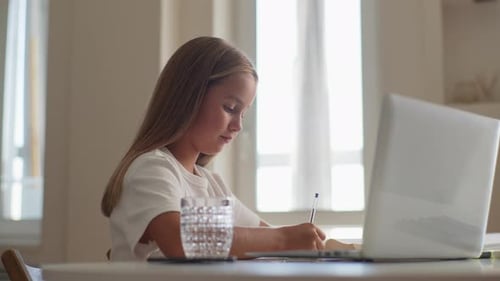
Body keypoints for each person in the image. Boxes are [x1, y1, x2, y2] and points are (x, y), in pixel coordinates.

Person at [101, 36, 327, 261]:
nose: (238, 126)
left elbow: (264, 234)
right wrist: (284, 240)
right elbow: (180, 242)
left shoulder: (212, 185)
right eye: (230, 108)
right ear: (189, 97)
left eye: (243, 113)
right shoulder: (151, 169)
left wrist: (338, 247)